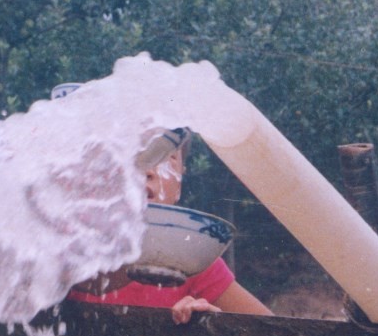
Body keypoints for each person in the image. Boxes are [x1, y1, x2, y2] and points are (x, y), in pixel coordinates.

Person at [68, 134, 272, 323]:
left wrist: (218, 327)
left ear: (179, 186)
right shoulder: (67, 245)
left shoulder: (192, 258)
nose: (148, 170)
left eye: (167, 157)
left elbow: (273, 334)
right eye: (132, 151)